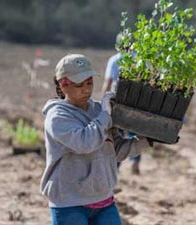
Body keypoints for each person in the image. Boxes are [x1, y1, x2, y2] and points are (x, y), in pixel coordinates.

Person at [40, 54, 149, 225]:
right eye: (79, 85)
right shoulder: (57, 117)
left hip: (104, 199)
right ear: (63, 84)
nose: (86, 89)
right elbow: (85, 143)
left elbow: (116, 151)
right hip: (69, 202)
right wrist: (105, 115)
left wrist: (146, 141)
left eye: (89, 83)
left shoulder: (98, 110)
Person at [102, 34, 142, 175]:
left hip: (118, 99)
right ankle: (135, 161)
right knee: (134, 130)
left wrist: (104, 98)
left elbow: (108, 82)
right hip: (136, 100)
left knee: (117, 132)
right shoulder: (138, 59)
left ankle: (116, 166)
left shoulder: (114, 60)